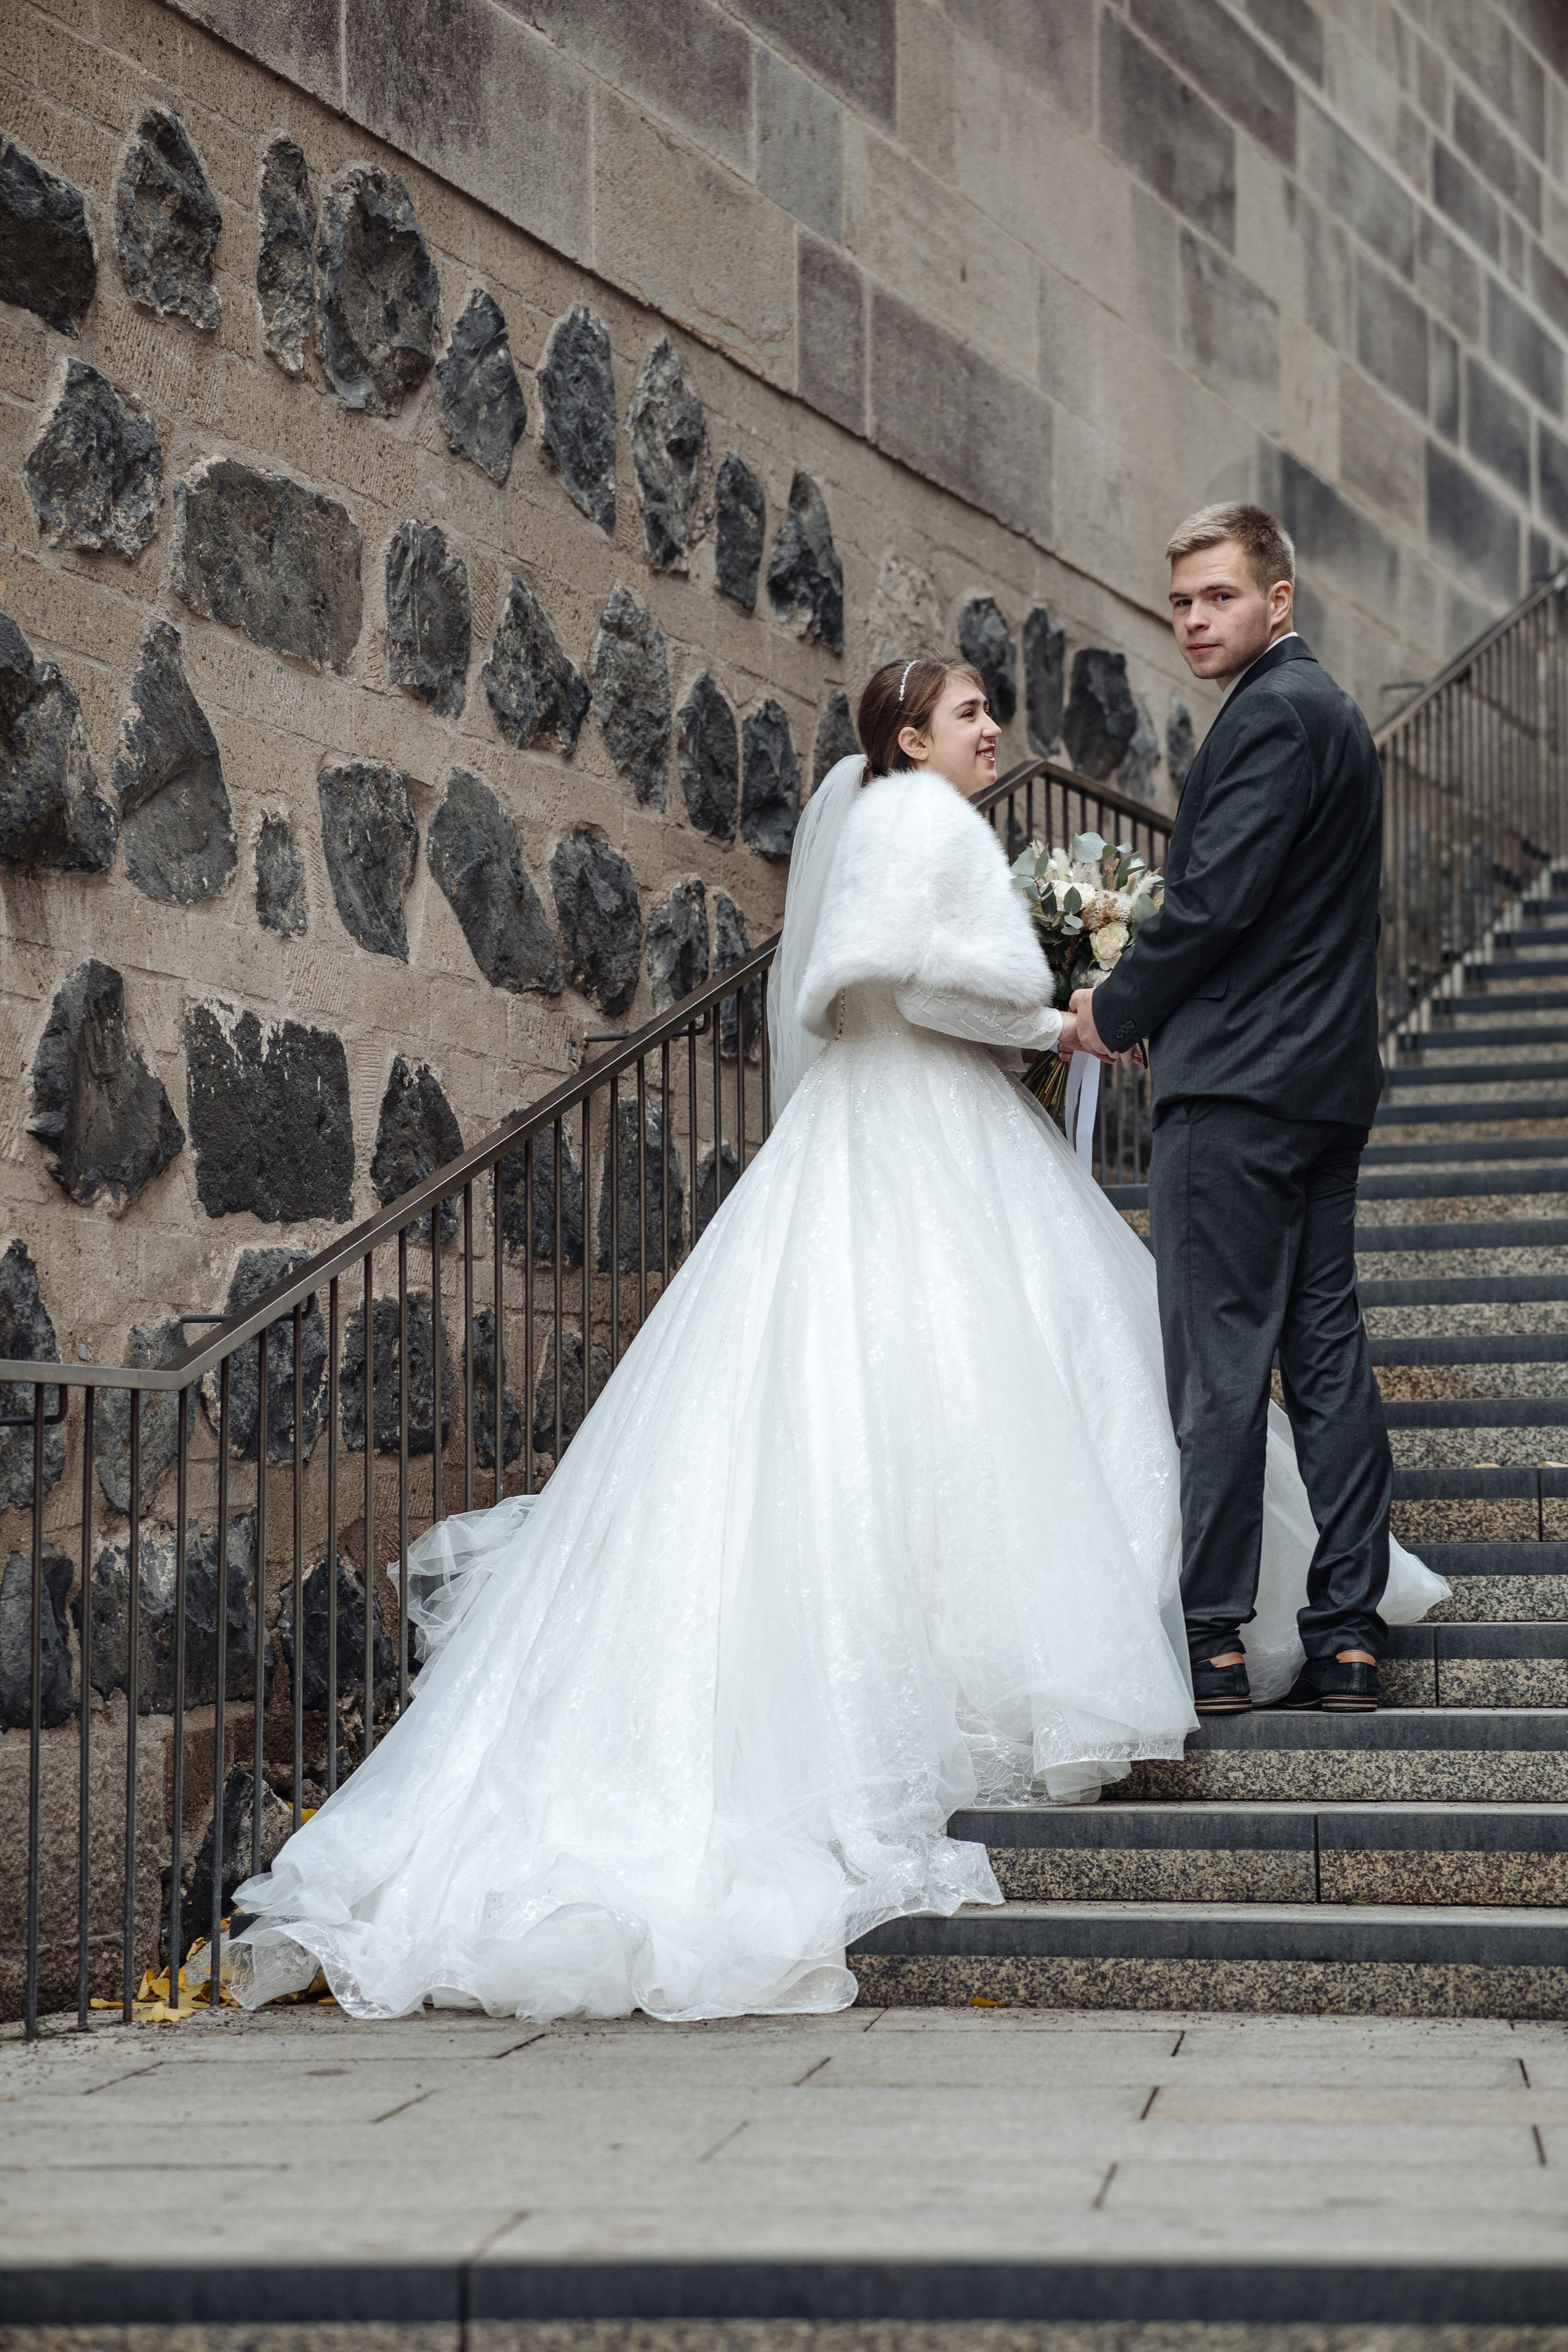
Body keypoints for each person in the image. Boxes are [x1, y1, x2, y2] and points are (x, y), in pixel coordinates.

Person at [222, 654, 1444, 2027]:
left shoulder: (900, 820)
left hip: (912, 1122)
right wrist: (1055, 1019)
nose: (994, 727)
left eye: (992, 708)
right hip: (917, 1125)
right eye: (971, 712)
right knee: (967, 1380)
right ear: (911, 737)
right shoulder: (917, 820)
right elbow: (910, 986)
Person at [1077, 502, 1394, 1716]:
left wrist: (1112, 1007)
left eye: (1217, 595)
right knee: (1322, 1361)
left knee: (1216, 1373)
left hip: (1240, 1095)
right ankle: (1347, 1634)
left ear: (1279, 599)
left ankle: (1212, 1636)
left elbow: (1210, 907)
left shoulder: (1271, 717)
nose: (1193, 620)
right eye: (1180, 602)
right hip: (1318, 1092)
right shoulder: (1333, 719)